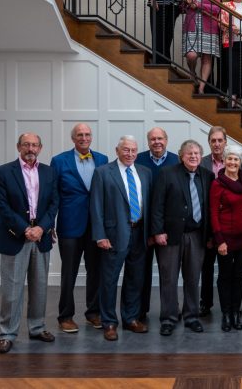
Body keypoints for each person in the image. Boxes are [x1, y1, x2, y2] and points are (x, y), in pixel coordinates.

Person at [0, 133, 58, 354]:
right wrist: (25, 229)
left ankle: (37, 328)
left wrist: (41, 228)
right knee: (12, 289)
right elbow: (1, 206)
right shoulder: (3, 171)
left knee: (39, 286)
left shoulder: (49, 171)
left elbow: (54, 203)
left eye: (35, 145)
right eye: (26, 144)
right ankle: (7, 333)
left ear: (40, 148)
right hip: (14, 236)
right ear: (18, 146)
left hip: (41, 236)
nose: (31, 148)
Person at [90, 135, 152, 341]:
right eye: (126, 150)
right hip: (113, 236)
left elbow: (149, 206)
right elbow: (96, 206)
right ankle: (109, 322)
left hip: (139, 233)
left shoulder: (145, 172)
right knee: (108, 280)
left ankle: (131, 318)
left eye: (134, 150)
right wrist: (100, 235)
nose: (130, 154)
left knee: (135, 279)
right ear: (117, 151)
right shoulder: (103, 173)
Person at [151, 140, 215, 336]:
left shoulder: (208, 175)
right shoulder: (167, 174)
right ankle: (169, 318)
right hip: (170, 236)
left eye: (197, 153)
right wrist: (158, 231)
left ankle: (191, 316)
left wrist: (211, 235)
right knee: (169, 278)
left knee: (193, 277)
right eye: (189, 153)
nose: (194, 156)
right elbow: (157, 205)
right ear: (182, 156)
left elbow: (210, 209)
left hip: (197, 236)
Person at [51, 123, 108, 334]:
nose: (84, 138)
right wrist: (50, 224)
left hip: (96, 227)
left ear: (91, 137)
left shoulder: (102, 159)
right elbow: (52, 195)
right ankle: (65, 316)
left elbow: (106, 193)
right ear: (73, 139)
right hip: (69, 225)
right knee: (69, 273)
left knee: (96, 272)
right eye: (79, 135)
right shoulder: (59, 161)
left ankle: (93, 313)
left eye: (87, 134)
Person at [134, 127, 179, 323]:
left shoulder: (177, 160)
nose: (156, 142)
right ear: (148, 141)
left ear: (167, 140)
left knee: (167, 273)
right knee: (140, 271)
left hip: (166, 228)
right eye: (152, 139)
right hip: (142, 226)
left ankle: (169, 312)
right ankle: (139, 311)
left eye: (160, 138)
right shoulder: (138, 160)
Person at [209, 144, 242, 332]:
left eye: (236, 159)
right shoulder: (218, 184)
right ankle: (226, 313)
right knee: (225, 277)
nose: (233, 162)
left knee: (239, 277)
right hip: (225, 239)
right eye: (229, 158)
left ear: (240, 162)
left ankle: (235, 310)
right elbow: (213, 214)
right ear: (224, 161)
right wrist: (220, 241)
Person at [199, 126, 230, 317]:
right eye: (213, 140)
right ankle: (206, 303)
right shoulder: (202, 163)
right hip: (208, 223)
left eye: (220, 140)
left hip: (227, 225)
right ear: (209, 142)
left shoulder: (234, 161)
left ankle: (229, 303)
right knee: (207, 268)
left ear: (225, 142)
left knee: (227, 269)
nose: (217, 144)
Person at [182, 0, 221, 94]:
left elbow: (217, 9)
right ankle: (192, 73)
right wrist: (186, 2)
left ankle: (201, 87)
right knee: (191, 56)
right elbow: (182, 8)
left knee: (206, 59)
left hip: (209, 28)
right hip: (191, 26)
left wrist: (198, 5)